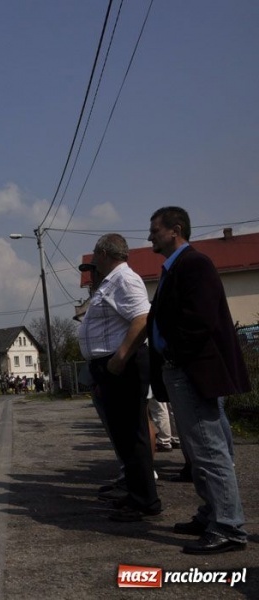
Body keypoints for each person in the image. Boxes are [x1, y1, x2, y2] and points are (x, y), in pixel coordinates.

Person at [147, 206, 249, 554]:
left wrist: (174, 352)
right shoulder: (175, 268)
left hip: (193, 371)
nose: (150, 237)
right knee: (197, 449)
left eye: (155, 230)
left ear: (175, 230)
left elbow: (199, 320)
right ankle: (212, 512)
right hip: (182, 370)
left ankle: (229, 527)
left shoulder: (194, 264)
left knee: (209, 450)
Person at [77, 233, 161, 522]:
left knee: (132, 433)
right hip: (111, 367)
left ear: (103, 253)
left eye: (94, 254)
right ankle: (136, 494)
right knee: (124, 436)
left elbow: (142, 317)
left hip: (121, 366)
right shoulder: (111, 282)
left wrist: (121, 356)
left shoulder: (125, 279)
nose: (93, 259)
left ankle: (145, 500)